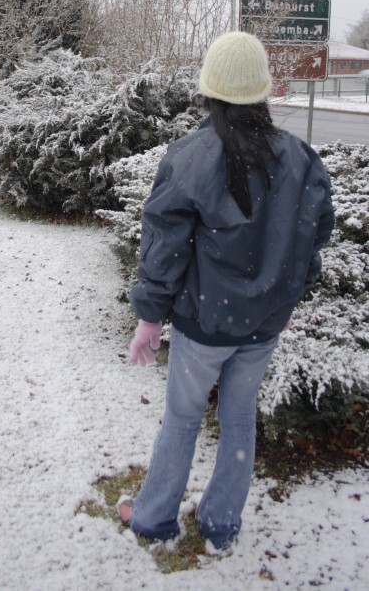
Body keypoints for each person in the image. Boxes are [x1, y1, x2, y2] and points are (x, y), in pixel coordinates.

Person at [118, 31, 334, 551]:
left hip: (204, 327)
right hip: (261, 328)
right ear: (261, 90)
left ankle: (152, 519)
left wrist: (150, 317)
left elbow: (164, 244)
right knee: (239, 421)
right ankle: (220, 525)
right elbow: (312, 240)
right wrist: (285, 303)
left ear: (210, 90)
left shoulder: (190, 156)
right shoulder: (300, 158)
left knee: (183, 418)